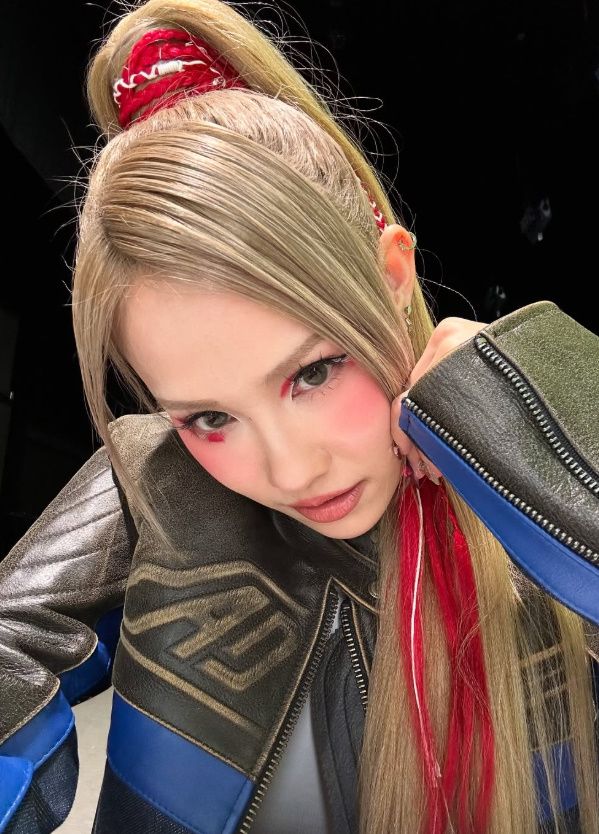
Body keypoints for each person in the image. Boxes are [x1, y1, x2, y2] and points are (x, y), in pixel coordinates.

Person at [0, 1, 597, 832]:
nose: (287, 470)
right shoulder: (154, 483)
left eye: (312, 372)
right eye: (208, 418)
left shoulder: (531, 491)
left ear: (393, 277)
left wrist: (541, 403)